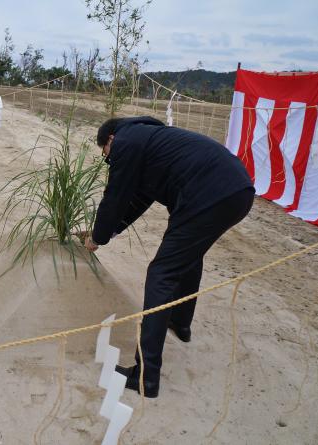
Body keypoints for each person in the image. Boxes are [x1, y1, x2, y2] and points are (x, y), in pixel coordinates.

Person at [84, 116, 254, 398]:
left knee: (162, 273)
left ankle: (146, 377)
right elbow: (137, 199)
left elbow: (114, 196)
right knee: (188, 256)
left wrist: (96, 238)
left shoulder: (126, 142)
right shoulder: (148, 140)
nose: (109, 161)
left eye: (106, 156)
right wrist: (107, 233)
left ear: (110, 139)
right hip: (237, 191)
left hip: (211, 194)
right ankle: (180, 322)